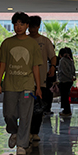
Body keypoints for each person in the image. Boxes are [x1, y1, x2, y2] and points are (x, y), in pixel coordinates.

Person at [0, 11, 44, 155]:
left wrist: (38, 87)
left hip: (27, 86)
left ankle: (22, 144)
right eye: (16, 24)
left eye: (22, 24)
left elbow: (35, 67)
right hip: (10, 85)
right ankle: (13, 131)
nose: (18, 27)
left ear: (27, 25)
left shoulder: (32, 44)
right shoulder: (7, 43)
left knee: (25, 115)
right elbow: (3, 64)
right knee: (9, 114)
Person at [28, 15, 57, 145]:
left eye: (34, 26)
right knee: (27, 106)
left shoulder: (44, 41)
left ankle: (35, 132)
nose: (31, 29)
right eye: (30, 26)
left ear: (38, 27)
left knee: (38, 107)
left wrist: (53, 67)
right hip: (26, 81)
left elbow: (53, 56)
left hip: (41, 81)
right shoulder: (25, 40)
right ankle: (27, 131)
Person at [56, 47, 75, 116]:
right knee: (66, 96)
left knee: (64, 96)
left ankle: (66, 111)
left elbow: (64, 71)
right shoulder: (70, 60)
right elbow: (73, 70)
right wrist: (72, 77)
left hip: (64, 81)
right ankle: (66, 110)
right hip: (69, 81)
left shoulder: (62, 60)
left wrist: (69, 77)